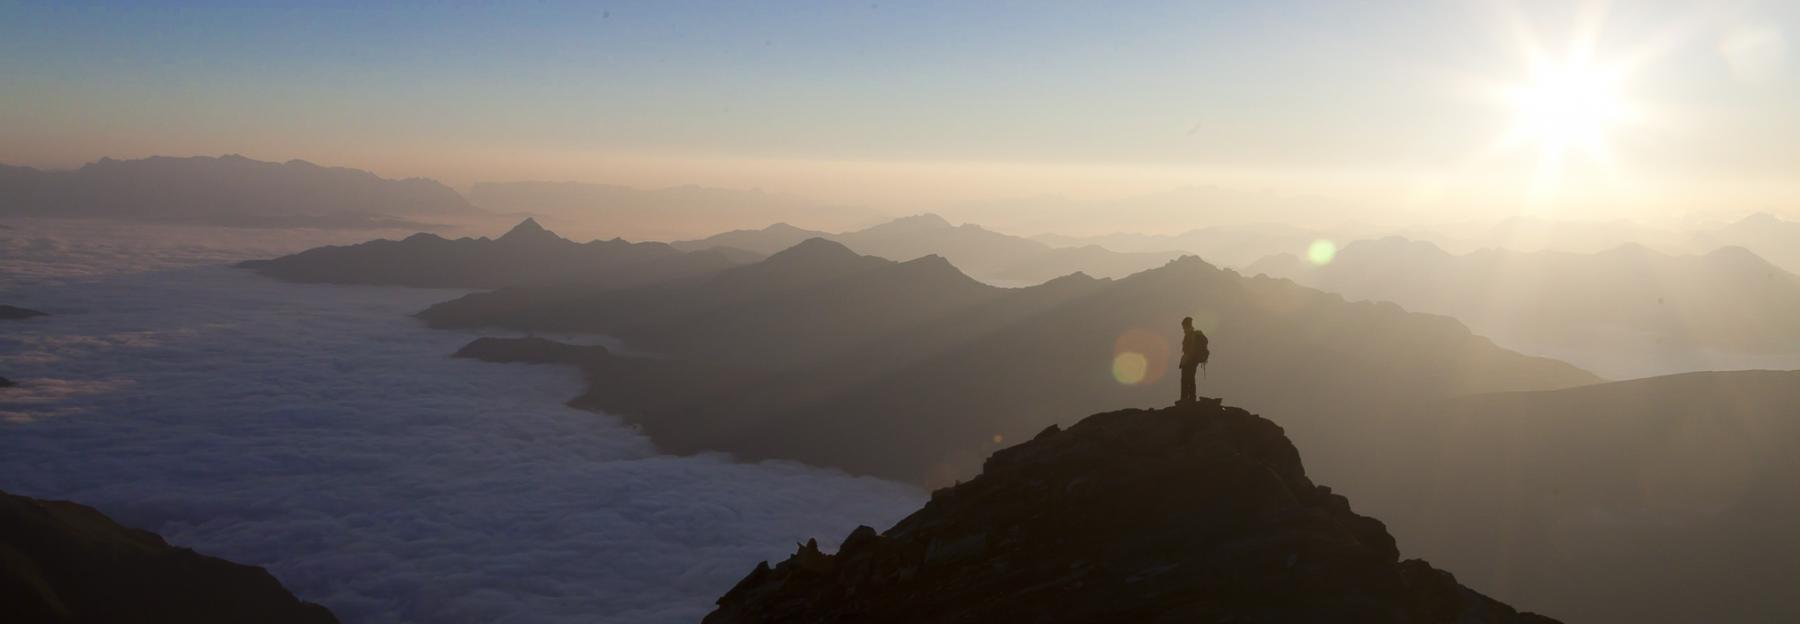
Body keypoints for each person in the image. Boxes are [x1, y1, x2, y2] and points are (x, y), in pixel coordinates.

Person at [1178, 316, 1209, 404]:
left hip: (1190, 360)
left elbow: (1189, 350)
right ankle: (1188, 398)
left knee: (1188, 379)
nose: (1183, 328)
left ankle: (1188, 399)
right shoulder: (1191, 335)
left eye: (1184, 326)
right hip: (1189, 360)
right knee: (1188, 379)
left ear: (1187, 325)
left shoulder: (1193, 335)